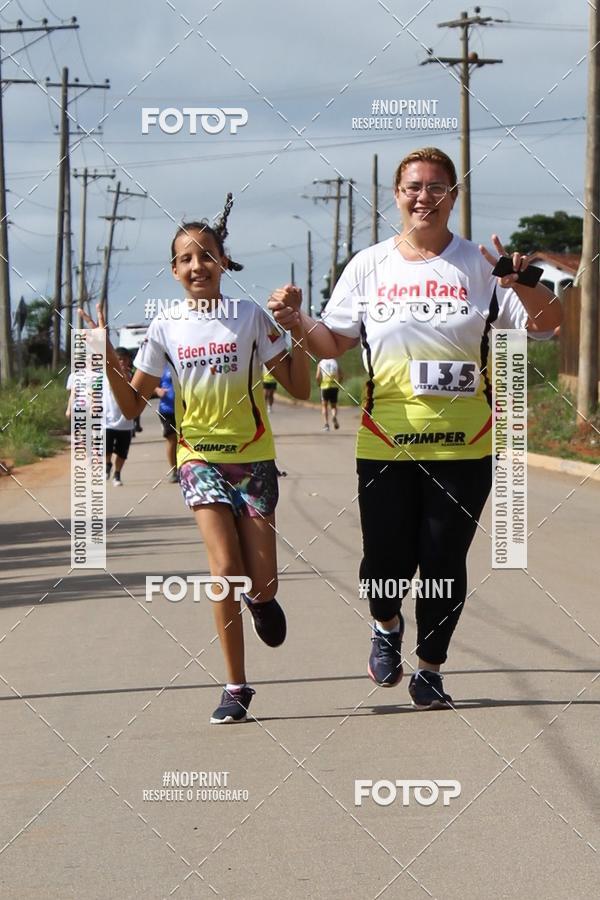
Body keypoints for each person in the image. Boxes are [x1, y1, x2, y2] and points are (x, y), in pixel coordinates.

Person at [270, 147, 561, 710]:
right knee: (385, 561)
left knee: (443, 562)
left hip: (465, 446)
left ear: (453, 196)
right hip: (386, 442)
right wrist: (296, 321)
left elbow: (548, 326)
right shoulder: (369, 264)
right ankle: (386, 625)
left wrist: (524, 282)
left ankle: (430, 668)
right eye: (413, 187)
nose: (424, 196)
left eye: (436, 186)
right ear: (397, 196)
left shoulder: (483, 266)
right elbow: (333, 342)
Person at [81, 194, 310, 724]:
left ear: (224, 262)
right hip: (198, 459)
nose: (196, 265)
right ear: (173, 271)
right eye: (185, 258)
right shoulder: (165, 326)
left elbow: (298, 387)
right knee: (224, 571)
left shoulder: (250, 318)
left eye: (206, 255)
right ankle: (235, 685)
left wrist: (296, 328)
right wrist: (106, 356)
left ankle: (261, 600)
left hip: (253, 460)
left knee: (262, 583)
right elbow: (131, 406)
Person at [105, 348, 135, 486]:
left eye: (124, 359)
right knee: (107, 448)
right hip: (108, 420)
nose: (122, 362)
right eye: (119, 359)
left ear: (128, 361)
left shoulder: (133, 376)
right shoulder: (105, 374)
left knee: (122, 453)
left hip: (125, 421)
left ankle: (117, 474)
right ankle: (107, 465)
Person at [155, 363, 179, 483]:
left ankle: (187, 467)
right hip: (167, 409)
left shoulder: (183, 362)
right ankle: (174, 471)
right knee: (172, 439)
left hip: (186, 409)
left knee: (186, 439)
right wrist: (157, 390)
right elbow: (150, 383)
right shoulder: (162, 366)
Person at [316, 357, 342, 431]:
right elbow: (341, 375)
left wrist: (319, 384)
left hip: (324, 386)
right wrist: (339, 383)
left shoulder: (321, 363)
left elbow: (317, 376)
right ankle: (334, 416)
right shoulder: (335, 362)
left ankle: (326, 424)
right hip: (334, 386)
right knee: (333, 405)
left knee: (324, 406)